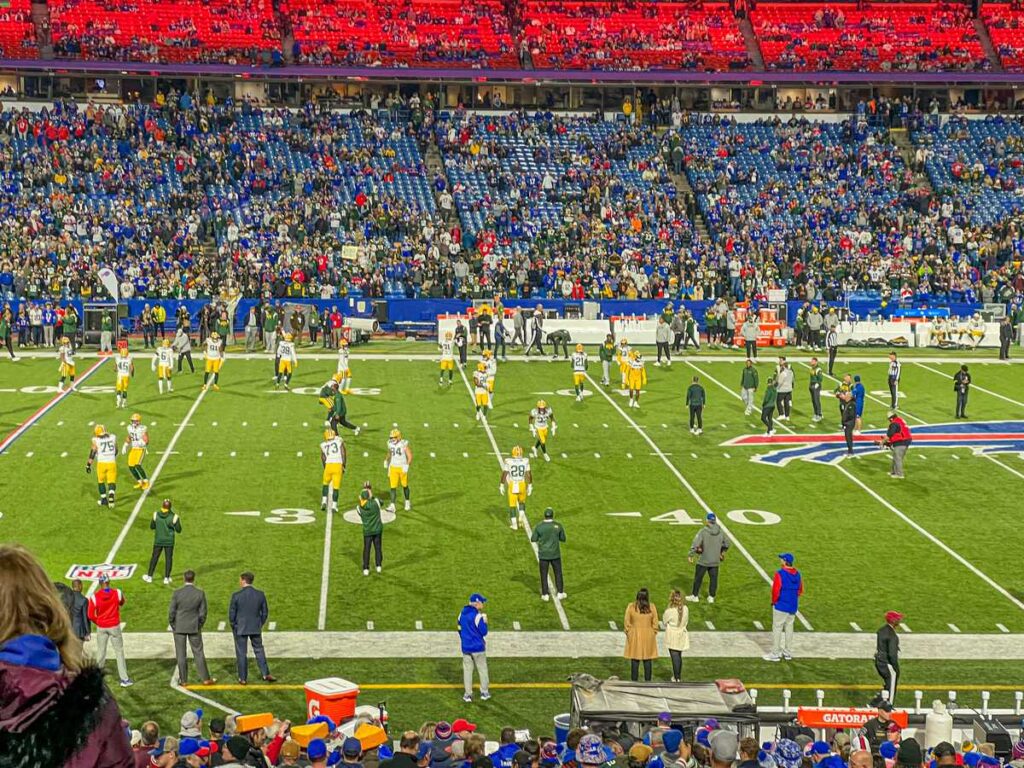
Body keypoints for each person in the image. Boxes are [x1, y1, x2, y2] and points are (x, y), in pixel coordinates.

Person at [0, 544, 133, 766]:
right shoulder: (92, 706)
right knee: (111, 656)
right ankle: (124, 675)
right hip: (110, 628)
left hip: (101, 629)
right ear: (46, 605)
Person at [169, 569, 214, 686]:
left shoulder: (177, 593)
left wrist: (174, 625)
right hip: (194, 627)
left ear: (184, 578)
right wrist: (199, 625)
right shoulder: (199, 593)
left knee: (181, 654)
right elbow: (203, 613)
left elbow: (171, 612)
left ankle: (183, 680)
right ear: (194, 579)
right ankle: (205, 678)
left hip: (179, 627)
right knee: (198, 653)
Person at [229, 571, 275, 685]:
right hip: (255, 627)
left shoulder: (236, 596)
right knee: (259, 650)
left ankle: (243, 678)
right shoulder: (260, 594)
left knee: (241, 653)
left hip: (240, 628)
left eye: (240, 579)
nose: (239, 581)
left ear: (244, 580)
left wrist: (234, 626)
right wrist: (259, 624)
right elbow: (265, 612)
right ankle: (265, 673)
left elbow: (231, 615)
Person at [87, 573, 133, 687]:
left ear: (100, 583)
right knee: (119, 652)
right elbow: (122, 602)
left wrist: (99, 622)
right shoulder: (117, 593)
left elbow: (90, 614)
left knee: (101, 652)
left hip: (102, 627)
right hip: (114, 626)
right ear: (108, 582)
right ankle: (124, 679)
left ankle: (96, 679)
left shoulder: (94, 597)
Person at [763, 553, 802, 662]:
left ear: (785, 561)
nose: (780, 560)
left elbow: (776, 590)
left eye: (781, 559)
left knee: (777, 628)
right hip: (793, 605)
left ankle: (775, 653)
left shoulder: (780, 574)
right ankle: (788, 652)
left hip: (781, 604)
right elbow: (800, 590)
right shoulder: (797, 574)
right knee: (789, 627)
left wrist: (774, 602)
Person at [687, 513, 729, 604]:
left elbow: (695, 544)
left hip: (704, 560)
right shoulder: (721, 531)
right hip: (715, 560)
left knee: (698, 578)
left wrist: (691, 555)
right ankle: (711, 597)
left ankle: (695, 596)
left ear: (707, 520)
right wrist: (722, 552)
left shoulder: (703, 531)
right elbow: (727, 544)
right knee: (713, 579)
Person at [458, 593, 490, 703]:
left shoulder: (461, 614)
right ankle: (484, 692)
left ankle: (468, 694)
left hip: (466, 647)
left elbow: (459, 628)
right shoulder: (477, 616)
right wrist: (485, 622)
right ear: (477, 603)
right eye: (482, 602)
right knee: (482, 669)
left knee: (467, 671)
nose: (483, 604)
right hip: (478, 648)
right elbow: (484, 632)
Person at [531, 507, 566, 601]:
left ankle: (545, 594)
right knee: (558, 573)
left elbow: (533, 539)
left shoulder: (539, 526)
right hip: (555, 554)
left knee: (543, 574)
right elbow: (563, 538)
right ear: (552, 515)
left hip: (543, 554)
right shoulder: (558, 525)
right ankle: (560, 592)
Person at [623, 587, 658, 681]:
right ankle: (648, 682)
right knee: (647, 660)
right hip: (648, 635)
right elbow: (655, 624)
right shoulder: (651, 607)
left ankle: (634, 681)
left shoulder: (631, 606)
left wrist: (629, 632)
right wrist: (652, 632)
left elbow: (626, 622)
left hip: (635, 634)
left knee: (635, 659)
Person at [144, 498, 181, 584]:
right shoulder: (174, 517)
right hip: (169, 541)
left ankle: (149, 576)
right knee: (168, 559)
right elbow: (179, 530)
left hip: (158, 540)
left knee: (154, 558)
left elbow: (152, 526)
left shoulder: (156, 514)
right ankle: (166, 578)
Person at [872, 611, 903, 705]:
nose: (899, 620)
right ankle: (889, 706)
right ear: (893, 620)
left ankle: (875, 702)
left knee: (888, 684)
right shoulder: (892, 635)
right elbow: (892, 655)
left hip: (879, 661)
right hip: (887, 663)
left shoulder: (882, 630)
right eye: (897, 619)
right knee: (891, 686)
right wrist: (896, 668)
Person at [663, 589, 689, 682]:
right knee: (679, 655)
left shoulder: (670, 611)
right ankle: (678, 677)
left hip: (672, 635)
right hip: (681, 634)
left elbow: (664, 621)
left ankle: (676, 677)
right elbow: (686, 621)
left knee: (674, 657)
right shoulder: (686, 609)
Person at [320, 427, 347, 514]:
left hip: (328, 465)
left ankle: (324, 502)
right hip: (337, 465)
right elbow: (343, 452)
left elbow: (323, 457)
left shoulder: (323, 445)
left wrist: (325, 467)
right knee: (336, 487)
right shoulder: (338, 441)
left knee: (325, 484)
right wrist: (343, 465)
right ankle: (334, 506)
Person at [359, 486, 384, 576]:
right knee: (378, 548)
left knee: (366, 549)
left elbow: (362, 503)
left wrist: (365, 496)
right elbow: (381, 502)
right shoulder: (376, 502)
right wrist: (371, 495)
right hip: (377, 529)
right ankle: (378, 566)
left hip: (367, 531)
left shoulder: (359, 508)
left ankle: (366, 568)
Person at [385, 428, 413, 511]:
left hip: (402, 467)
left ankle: (407, 502)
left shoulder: (403, 444)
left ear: (398, 437)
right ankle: (393, 505)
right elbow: (389, 452)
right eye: (391, 437)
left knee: (404, 485)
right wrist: (386, 460)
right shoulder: (390, 443)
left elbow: (410, 455)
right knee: (392, 487)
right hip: (393, 467)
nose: (392, 439)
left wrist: (407, 465)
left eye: (394, 437)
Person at [880, 411, 912, 478]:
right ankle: (893, 472)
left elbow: (889, 435)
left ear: (890, 418)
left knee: (898, 458)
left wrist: (882, 442)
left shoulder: (894, 424)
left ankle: (900, 474)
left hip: (902, 441)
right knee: (896, 457)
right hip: (905, 440)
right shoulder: (899, 420)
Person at [840, 390, 857, 457]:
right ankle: (850, 451)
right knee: (848, 437)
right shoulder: (848, 403)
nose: (845, 398)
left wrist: (845, 421)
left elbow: (851, 415)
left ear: (849, 397)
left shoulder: (851, 404)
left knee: (848, 437)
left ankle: (850, 451)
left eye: (847, 396)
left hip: (849, 423)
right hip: (848, 423)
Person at [807, 358, 823, 422]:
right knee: (813, 400)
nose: (811, 362)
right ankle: (815, 413)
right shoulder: (812, 368)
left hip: (816, 385)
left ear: (816, 362)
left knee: (816, 400)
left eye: (812, 361)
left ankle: (819, 414)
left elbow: (820, 378)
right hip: (811, 384)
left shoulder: (818, 369)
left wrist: (816, 384)